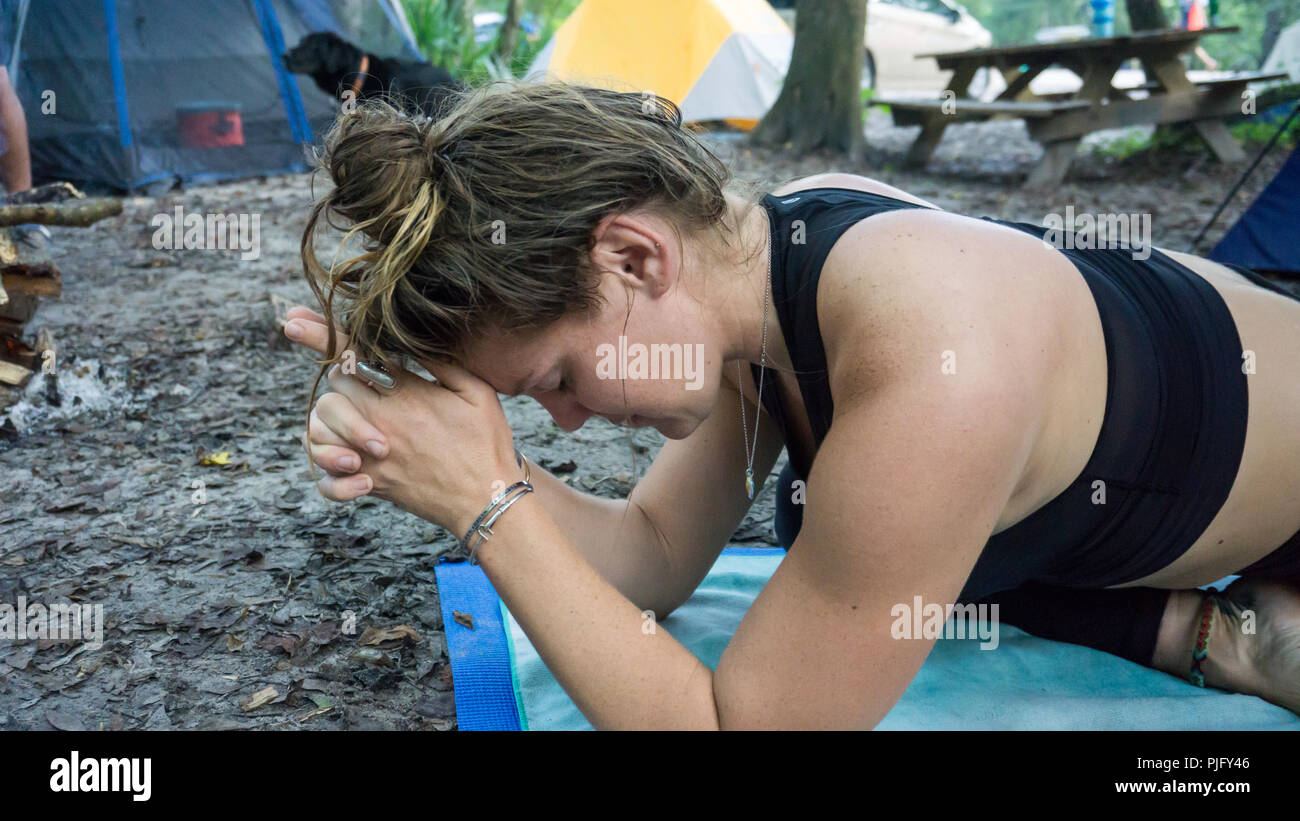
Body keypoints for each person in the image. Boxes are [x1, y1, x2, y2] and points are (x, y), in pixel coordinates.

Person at [284, 80, 1300, 729]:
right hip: (1167, 441)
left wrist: (486, 502)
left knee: (903, 539)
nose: (568, 421)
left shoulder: (933, 359)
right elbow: (650, 554)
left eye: (555, 377)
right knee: (902, 557)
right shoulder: (759, 273)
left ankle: (1223, 629)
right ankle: (1201, 630)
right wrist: (436, 444)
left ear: (633, 255)